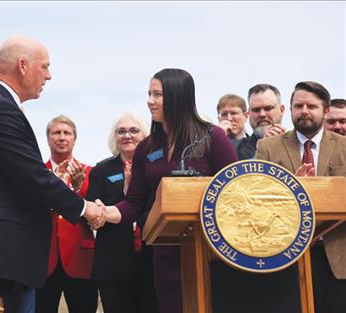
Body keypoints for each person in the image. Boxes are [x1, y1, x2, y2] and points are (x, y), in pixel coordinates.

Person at [0, 35, 103, 313]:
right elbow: (32, 175)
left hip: (0, 257)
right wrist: (83, 208)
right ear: (22, 65)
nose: (49, 75)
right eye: (45, 66)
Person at [92, 69, 237, 313]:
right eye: (149, 94)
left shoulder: (213, 137)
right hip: (164, 253)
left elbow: (236, 191)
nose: (150, 101)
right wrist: (104, 212)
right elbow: (135, 204)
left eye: (157, 94)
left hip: (209, 250)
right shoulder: (146, 149)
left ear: (178, 96)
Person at [256, 81, 346, 313]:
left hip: (338, 256)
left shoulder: (344, 147)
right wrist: (291, 189)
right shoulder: (267, 147)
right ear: (290, 109)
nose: (304, 111)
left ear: (325, 111)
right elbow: (256, 198)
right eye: (299, 105)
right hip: (288, 257)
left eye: (311, 106)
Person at [86, 112, 158, 313]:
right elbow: (91, 212)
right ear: (114, 137)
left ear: (144, 136)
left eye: (134, 130)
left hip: (150, 258)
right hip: (113, 263)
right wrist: (123, 195)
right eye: (121, 131)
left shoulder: (154, 168)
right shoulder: (101, 170)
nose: (127, 135)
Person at [36, 115, 97, 313]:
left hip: (81, 260)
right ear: (48, 139)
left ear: (74, 139)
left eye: (66, 133)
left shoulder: (91, 173)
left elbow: (96, 215)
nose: (62, 137)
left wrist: (79, 189)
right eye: (56, 133)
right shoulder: (36, 174)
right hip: (44, 261)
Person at [236, 84, 285, 159]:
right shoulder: (234, 149)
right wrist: (264, 148)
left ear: (281, 110)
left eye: (268, 108)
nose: (262, 114)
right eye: (256, 110)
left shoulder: (299, 145)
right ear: (248, 113)